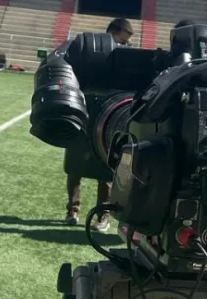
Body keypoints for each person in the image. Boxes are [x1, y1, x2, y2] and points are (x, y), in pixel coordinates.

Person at [63, 18, 135, 231]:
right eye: (124, 39)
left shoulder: (127, 56)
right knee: (75, 166)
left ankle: (103, 216)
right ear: (116, 31)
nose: (125, 44)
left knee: (106, 170)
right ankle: (72, 210)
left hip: (108, 115)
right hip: (84, 112)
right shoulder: (88, 51)